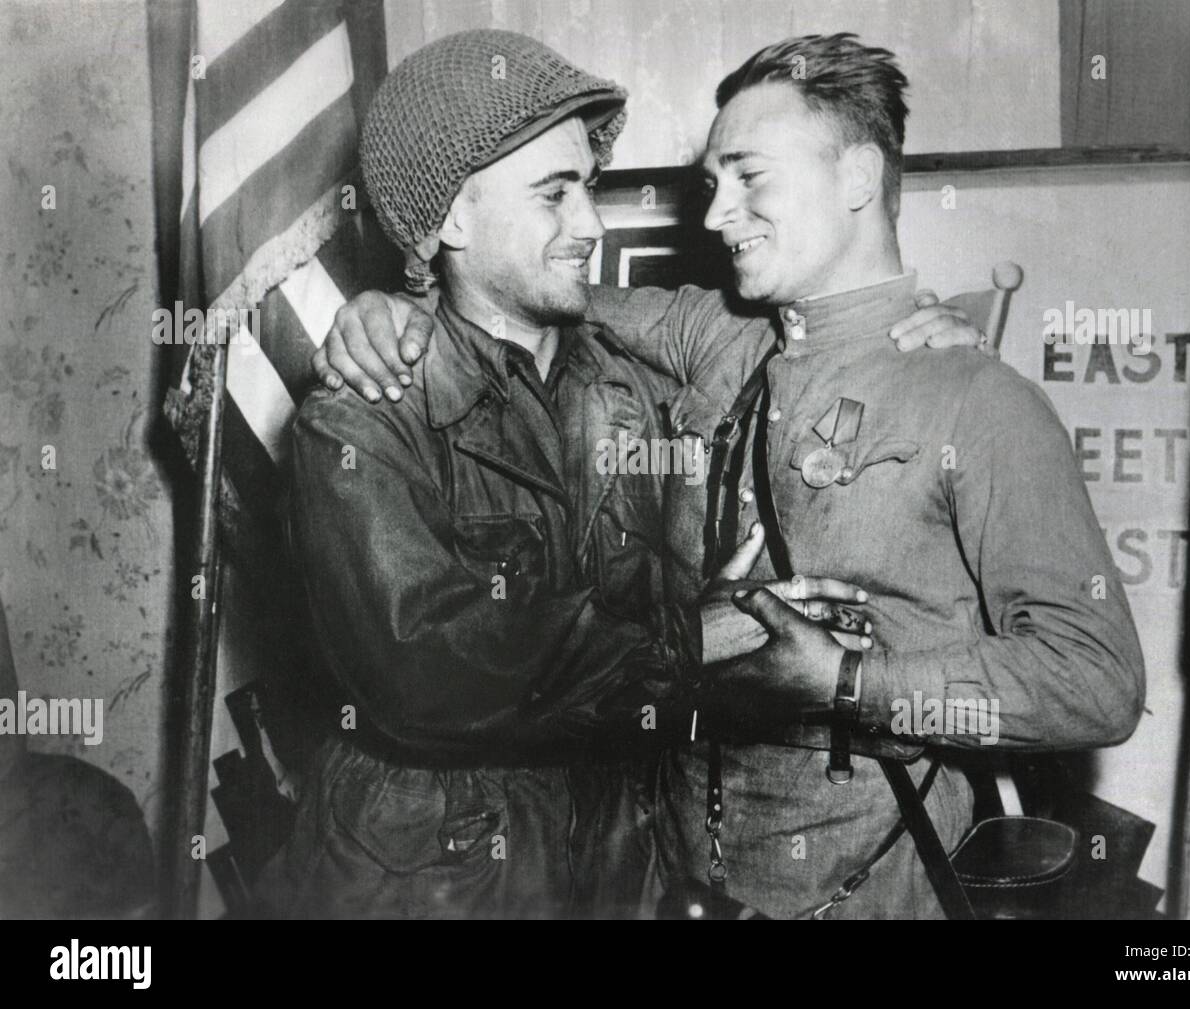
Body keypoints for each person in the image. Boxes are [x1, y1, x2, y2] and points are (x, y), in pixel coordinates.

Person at [322, 33, 1145, 919]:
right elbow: (525, 291)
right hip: (667, 874)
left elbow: (1096, 680)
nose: (716, 217)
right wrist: (396, 305)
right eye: (714, 184)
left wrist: (848, 681)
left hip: (867, 882)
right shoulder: (718, 339)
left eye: (750, 177)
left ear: (860, 179)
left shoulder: (976, 398)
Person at [261, 29, 918, 921]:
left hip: (615, 866)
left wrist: (930, 336)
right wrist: (688, 636)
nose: (591, 225)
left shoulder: (638, 384)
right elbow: (422, 666)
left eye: (590, 190)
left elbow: (828, 332)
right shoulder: (363, 413)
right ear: (452, 220)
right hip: (430, 884)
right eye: (554, 195)